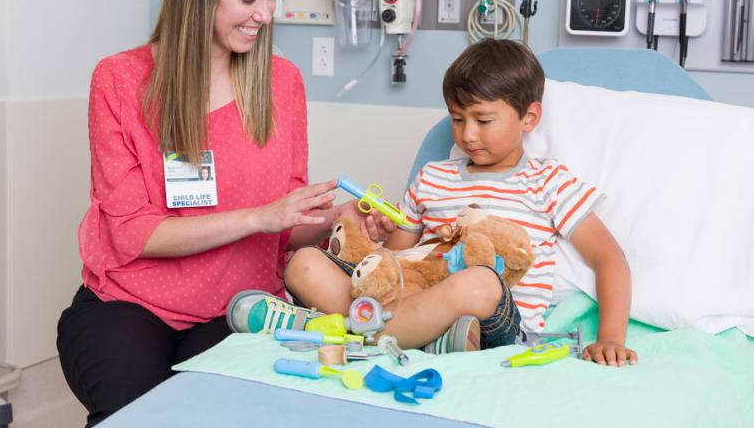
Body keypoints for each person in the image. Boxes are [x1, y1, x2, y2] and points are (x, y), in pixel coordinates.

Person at [56, 0, 392, 427]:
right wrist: (261, 216)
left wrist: (341, 217)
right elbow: (132, 234)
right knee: (134, 417)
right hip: (129, 302)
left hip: (238, 308)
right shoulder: (120, 81)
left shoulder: (281, 84)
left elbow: (287, 227)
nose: (265, 14)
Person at [271, 39, 638, 366]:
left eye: (483, 119)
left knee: (478, 282)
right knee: (304, 263)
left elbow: (609, 258)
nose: (467, 134)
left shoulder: (548, 181)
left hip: (493, 321)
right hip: (411, 300)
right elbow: (396, 261)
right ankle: (408, 334)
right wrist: (379, 235)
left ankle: (355, 329)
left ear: (530, 118)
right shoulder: (432, 177)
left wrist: (610, 337)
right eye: (457, 119)